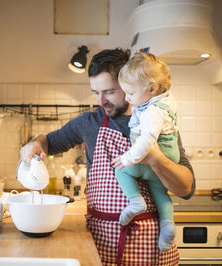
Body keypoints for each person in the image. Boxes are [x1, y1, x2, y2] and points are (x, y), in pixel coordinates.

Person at [20, 48, 195, 265]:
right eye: (95, 92)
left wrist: (155, 158)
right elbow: (48, 142)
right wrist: (35, 143)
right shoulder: (89, 122)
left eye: (109, 91)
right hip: (101, 245)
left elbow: (186, 189)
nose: (101, 101)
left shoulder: (160, 123)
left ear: (127, 83)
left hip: (150, 248)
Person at [111, 52, 178, 252]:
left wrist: (128, 158)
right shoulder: (165, 102)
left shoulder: (153, 112)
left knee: (121, 170)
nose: (127, 97)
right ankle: (167, 225)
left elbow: (148, 139)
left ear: (151, 88)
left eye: (130, 92)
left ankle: (136, 201)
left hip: (152, 157)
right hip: (169, 154)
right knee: (159, 191)